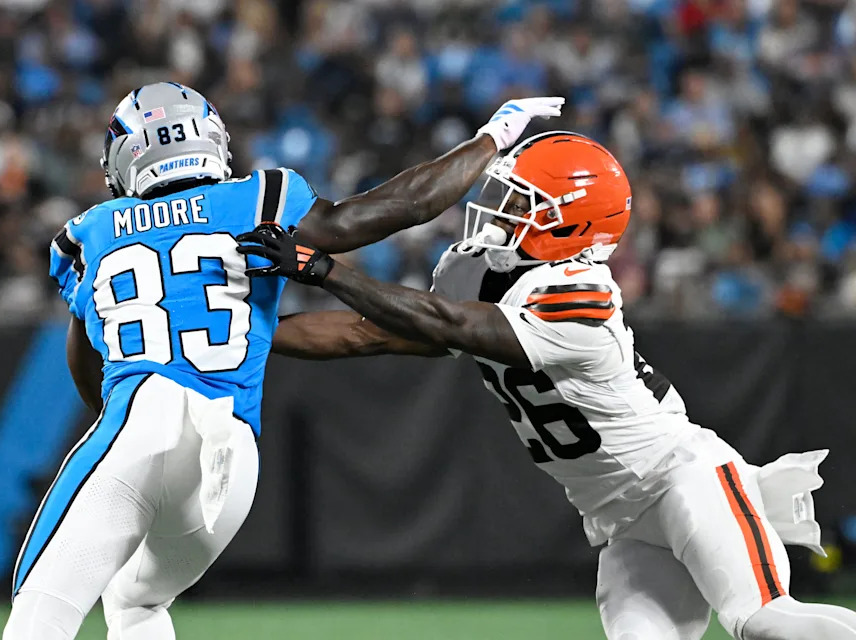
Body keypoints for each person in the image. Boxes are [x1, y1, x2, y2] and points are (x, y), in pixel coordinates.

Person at [2, 82, 565, 640]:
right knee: (136, 598)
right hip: (232, 457)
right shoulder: (259, 199)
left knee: (39, 612)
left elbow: (89, 366)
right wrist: (493, 137)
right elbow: (402, 207)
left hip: (142, 422)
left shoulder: (90, 233)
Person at [242, 131, 856, 640]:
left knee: (765, 622)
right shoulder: (473, 270)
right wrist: (242, 333)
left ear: (573, 225)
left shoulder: (582, 292)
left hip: (682, 478)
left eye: (524, 204)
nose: (502, 212)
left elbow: (450, 322)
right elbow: (367, 334)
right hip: (618, 521)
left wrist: (319, 268)